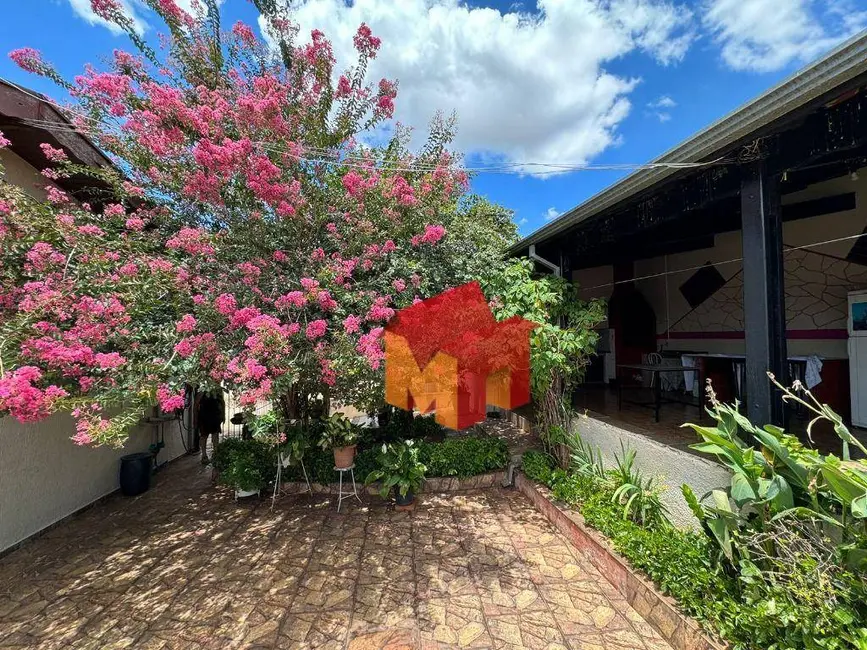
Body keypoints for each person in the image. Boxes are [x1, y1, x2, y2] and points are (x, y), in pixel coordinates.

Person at [197, 389, 225, 465]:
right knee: (204, 436)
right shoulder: (202, 390)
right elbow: (196, 404)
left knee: (215, 436)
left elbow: (222, 402)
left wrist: (223, 415)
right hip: (204, 417)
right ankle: (204, 455)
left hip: (215, 416)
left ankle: (216, 454)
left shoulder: (218, 390)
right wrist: (195, 419)